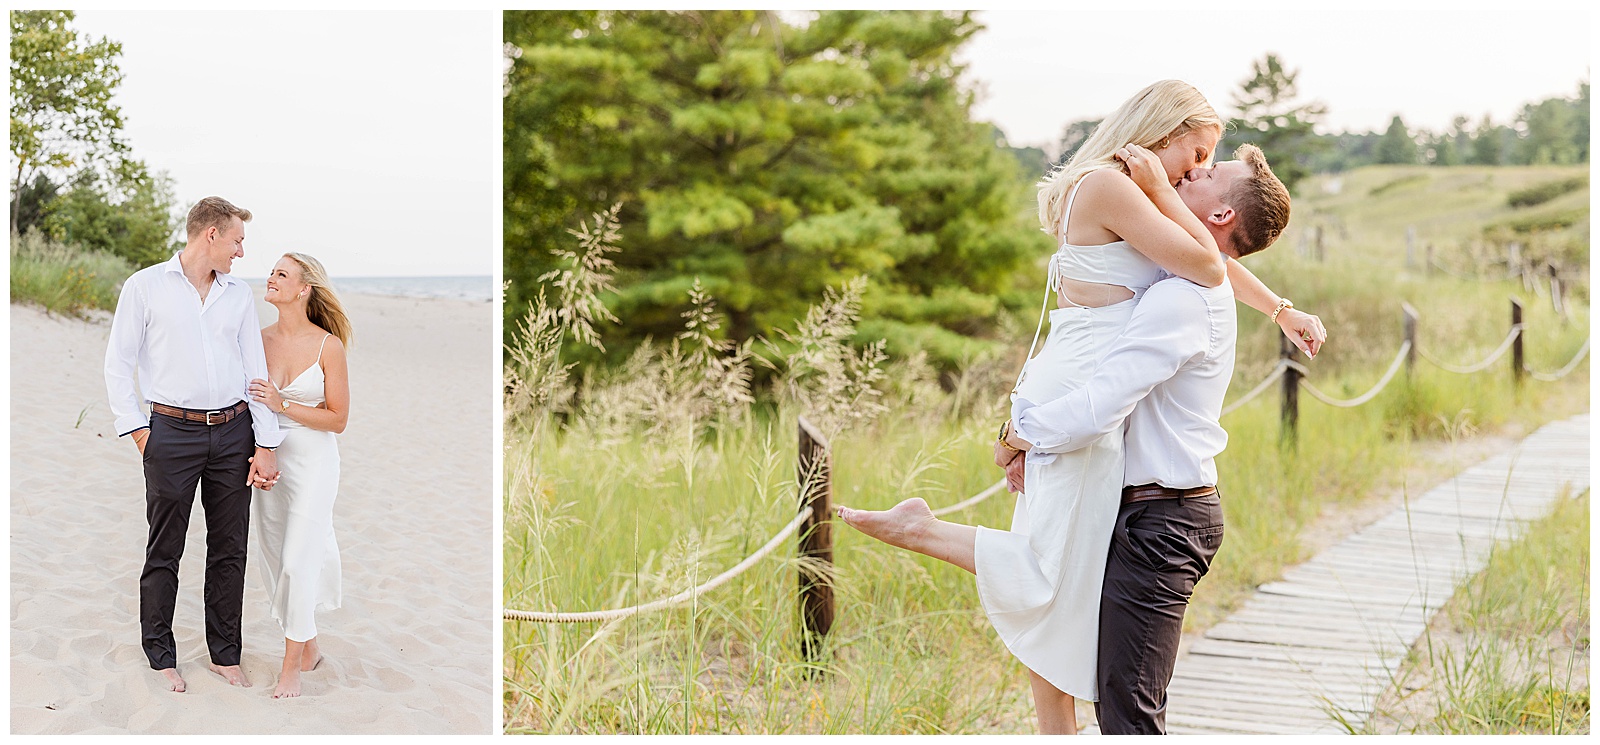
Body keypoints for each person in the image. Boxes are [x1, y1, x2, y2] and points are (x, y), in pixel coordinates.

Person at [837, 81, 1316, 734]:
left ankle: (1049, 722)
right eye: (1198, 152)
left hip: (1073, 392)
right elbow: (1207, 262)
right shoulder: (1119, 189)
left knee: (1055, 583)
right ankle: (923, 532)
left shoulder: (1131, 196)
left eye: (1208, 164)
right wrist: (1022, 433)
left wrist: (1280, 308)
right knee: (1049, 575)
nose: (1197, 169)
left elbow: (1211, 263)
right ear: (1167, 128)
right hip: (1077, 395)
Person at [105, 196, 284, 693]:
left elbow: (256, 372)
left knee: (230, 548)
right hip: (170, 432)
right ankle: (161, 656)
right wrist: (138, 429)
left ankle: (225, 654)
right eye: (238, 240)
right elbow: (118, 364)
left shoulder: (237, 295)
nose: (241, 252)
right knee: (165, 548)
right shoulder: (144, 287)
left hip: (233, 431)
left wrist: (265, 442)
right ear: (211, 234)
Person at [246, 253, 352, 699]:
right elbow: (247, 404)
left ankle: (290, 668)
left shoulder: (329, 347)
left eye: (281, 274)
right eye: (271, 272)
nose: (271, 279)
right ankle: (308, 648)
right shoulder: (256, 338)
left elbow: (338, 419)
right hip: (269, 460)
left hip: (314, 461)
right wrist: (258, 453)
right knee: (274, 558)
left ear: (304, 289)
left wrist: (282, 405)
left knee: (298, 559)